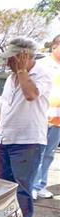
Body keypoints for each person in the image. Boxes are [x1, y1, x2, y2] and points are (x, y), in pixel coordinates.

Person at [0, 37, 53, 217]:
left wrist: (21, 71)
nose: (8, 62)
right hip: (3, 139)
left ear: (24, 56)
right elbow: (4, 106)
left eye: (12, 58)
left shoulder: (41, 74)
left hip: (27, 142)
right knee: (2, 186)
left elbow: (31, 95)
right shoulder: (11, 79)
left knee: (21, 188)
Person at [33, 34, 60, 200]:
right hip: (41, 118)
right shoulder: (43, 65)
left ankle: (41, 185)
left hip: (58, 121)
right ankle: (32, 186)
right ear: (54, 47)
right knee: (38, 153)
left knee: (49, 154)